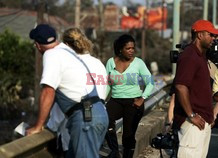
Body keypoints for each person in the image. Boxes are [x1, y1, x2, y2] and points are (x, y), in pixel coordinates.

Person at [26, 25, 109, 158]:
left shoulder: (51, 54)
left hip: (85, 118)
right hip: (98, 113)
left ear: (37, 45)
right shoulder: (69, 52)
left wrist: (38, 126)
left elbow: (48, 91)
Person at [173, 19, 218, 158]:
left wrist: (209, 115)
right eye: (211, 35)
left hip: (202, 121)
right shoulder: (190, 56)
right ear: (200, 35)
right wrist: (191, 115)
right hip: (192, 123)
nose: (214, 39)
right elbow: (181, 86)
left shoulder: (200, 56)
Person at [105, 34, 154, 158]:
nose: (131, 51)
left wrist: (143, 98)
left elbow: (150, 82)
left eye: (133, 48)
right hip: (116, 100)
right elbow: (108, 84)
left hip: (134, 101)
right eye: (128, 48)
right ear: (121, 49)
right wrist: (101, 100)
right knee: (104, 118)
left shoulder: (138, 63)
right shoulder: (110, 62)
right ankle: (114, 151)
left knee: (128, 135)